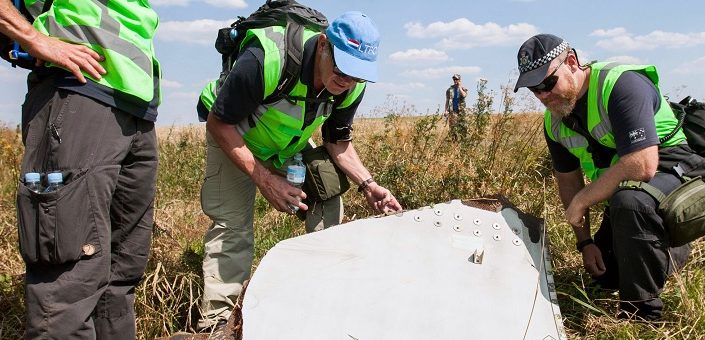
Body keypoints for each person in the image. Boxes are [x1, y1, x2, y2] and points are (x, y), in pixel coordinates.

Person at [195, 11, 402, 330]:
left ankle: (319, 294)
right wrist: (264, 180)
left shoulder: (351, 86)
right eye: (342, 68)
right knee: (234, 225)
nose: (346, 80)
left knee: (329, 192)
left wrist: (369, 184)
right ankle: (216, 325)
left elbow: (337, 142)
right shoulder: (266, 59)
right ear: (323, 45)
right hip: (235, 134)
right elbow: (219, 123)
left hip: (284, 145)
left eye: (357, 75)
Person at [513, 34, 705, 320]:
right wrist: (585, 242)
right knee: (607, 275)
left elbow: (642, 165)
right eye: (534, 89)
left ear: (571, 62)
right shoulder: (555, 122)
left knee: (631, 203)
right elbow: (569, 181)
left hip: (672, 170)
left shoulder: (620, 85)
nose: (543, 95)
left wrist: (582, 200)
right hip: (623, 190)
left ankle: (641, 313)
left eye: (547, 83)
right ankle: (658, 250)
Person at [1, 0, 160, 338]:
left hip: (135, 108)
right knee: (68, 274)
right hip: (78, 92)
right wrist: (33, 38)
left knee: (121, 270)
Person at [444, 73, 468, 140]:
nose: (455, 80)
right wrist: (446, 110)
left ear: (459, 80)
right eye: (454, 79)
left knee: (463, 127)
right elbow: (447, 101)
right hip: (453, 111)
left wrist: (459, 87)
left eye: (456, 79)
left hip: (461, 111)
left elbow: (464, 95)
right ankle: (454, 143)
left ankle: (464, 142)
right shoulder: (449, 90)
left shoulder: (463, 88)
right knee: (453, 128)